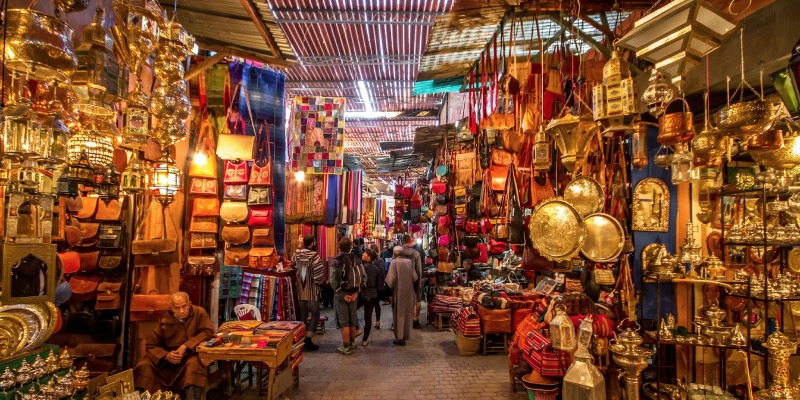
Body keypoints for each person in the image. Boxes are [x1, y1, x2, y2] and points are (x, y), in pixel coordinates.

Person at [134, 292, 214, 399]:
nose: (181, 311)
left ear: (189, 304)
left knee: (194, 366)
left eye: (184, 306)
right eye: (177, 308)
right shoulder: (164, 319)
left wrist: (186, 346)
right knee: (144, 365)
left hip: (188, 357)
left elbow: (208, 332)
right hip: (167, 362)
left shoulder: (199, 313)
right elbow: (151, 345)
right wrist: (166, 355)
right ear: (171, 308)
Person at [330, 238, 366, 355]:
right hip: (354, 294)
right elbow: (363, 278)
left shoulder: (336, 261)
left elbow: (333, 281)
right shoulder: (357, 260)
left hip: (341, 296)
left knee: (344, 321)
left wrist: (341, 294)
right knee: (352, 319)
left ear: (339, 247)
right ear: (351, 247)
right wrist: (356, 293)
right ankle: (352, 342)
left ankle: (345, 346)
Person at [292, 235, 325, 351]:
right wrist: (319, 283)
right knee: (315, 314)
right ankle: (308, 339)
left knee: (303, 315)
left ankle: (301, 338)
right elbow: (319, 274)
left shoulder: (297, 254)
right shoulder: (315, 256)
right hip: (312, 291)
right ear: (312, 243)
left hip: (301, 290)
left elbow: (293, 264)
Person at [385, 246, 418, 346]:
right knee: (408, 313)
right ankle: (406, 335)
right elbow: (415, 278)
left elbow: (390, 279)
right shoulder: (409, 262)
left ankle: (400, 338)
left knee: (399, 314)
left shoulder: (394, 263)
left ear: (395, 253)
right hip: (409, 292)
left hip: (398, 292)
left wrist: (389, 294)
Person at [361, 247, 385, 346]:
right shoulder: (375, 268)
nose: (362, 254)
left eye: (364, 253)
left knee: (354, 313)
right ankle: (365, 340)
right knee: (368, 317)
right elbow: (379, 284)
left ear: (369, 257)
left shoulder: (363, 268)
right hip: (373, 294)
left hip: (364, 294)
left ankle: (356, 332)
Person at [401, 235, 423, 328]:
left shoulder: (398, 252)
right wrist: (419, 280)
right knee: (417, 298)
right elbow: (419, 270)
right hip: (414, 279)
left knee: (403, 300)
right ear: (410, 241)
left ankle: (403, 320)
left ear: (402, 241)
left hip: (402, 279)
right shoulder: (416, 253)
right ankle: (415, 319)